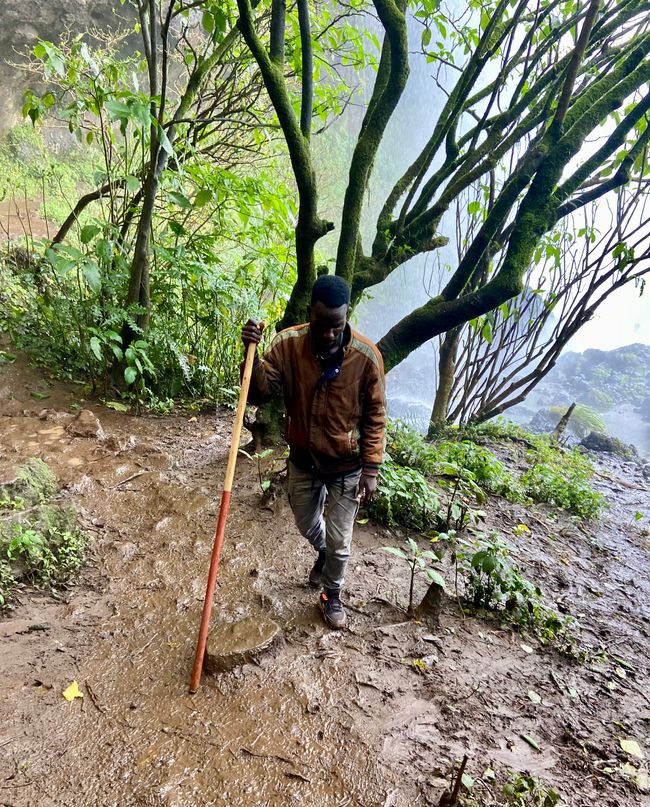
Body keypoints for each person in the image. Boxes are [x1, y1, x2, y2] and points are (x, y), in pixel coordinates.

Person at [241, 275, 386, 629]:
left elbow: (376, 416)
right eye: (322, 326)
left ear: (346, 316)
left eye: (337, 327)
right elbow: (259, 393)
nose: (329, 335)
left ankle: (331, 594)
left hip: (347, 466)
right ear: (310, 314)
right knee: (306, 522)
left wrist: (371, 468)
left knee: (341, 542)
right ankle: (323, 553)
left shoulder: (366, 358)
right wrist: (251, 353)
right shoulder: (289, 345)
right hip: (304, 459)